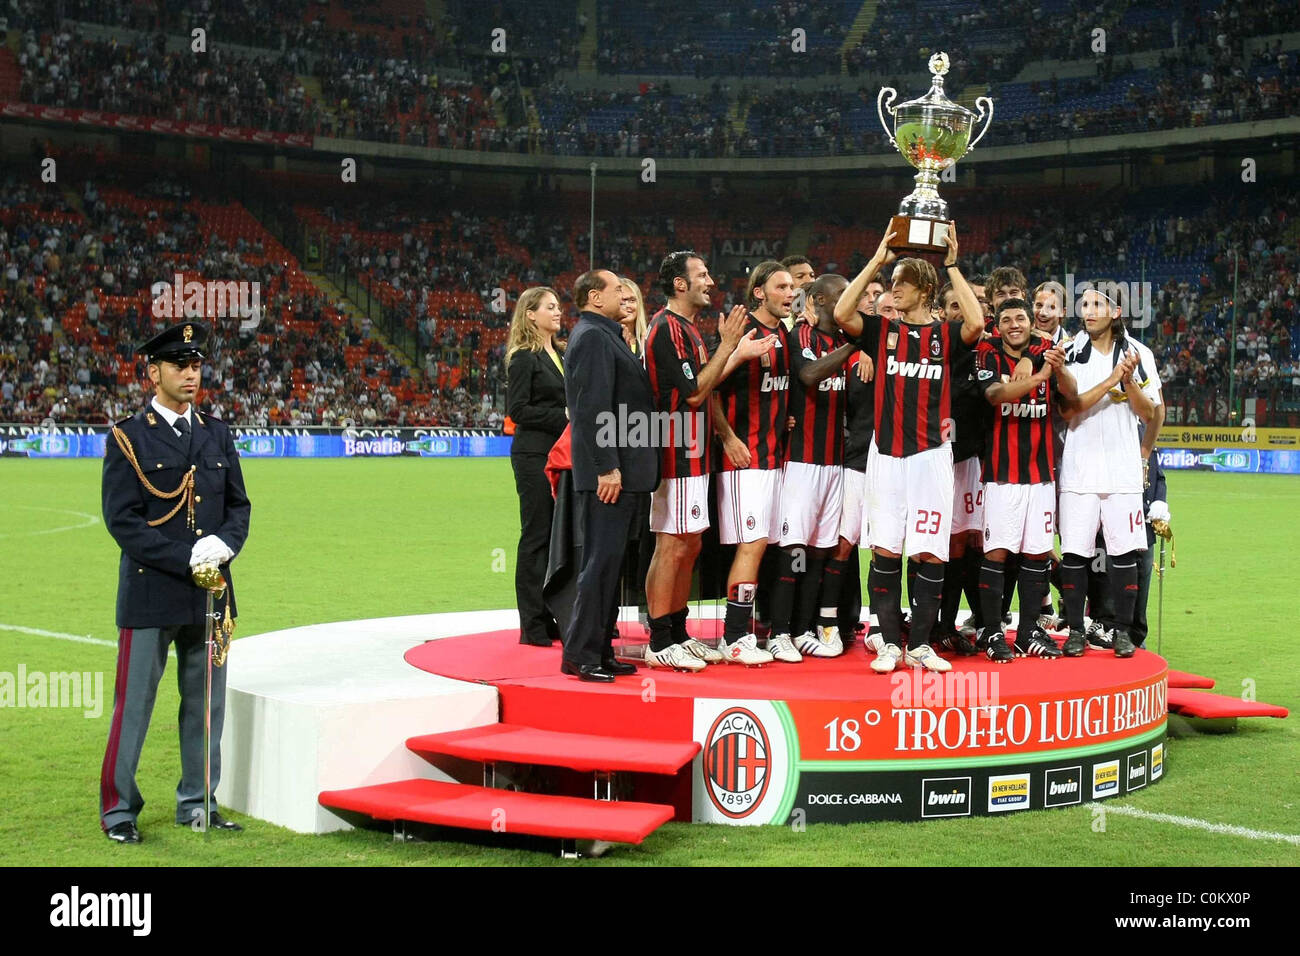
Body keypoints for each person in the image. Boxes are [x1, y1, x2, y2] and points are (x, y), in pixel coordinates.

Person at [100, 320, 252, 843]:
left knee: (206, 705)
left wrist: (227, 544)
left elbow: (239, 506)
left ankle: (199, 803)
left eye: (197, 365)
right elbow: (123, 521)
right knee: (134, 705)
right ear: (153, 372)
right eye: (180, 365)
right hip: (151, 592)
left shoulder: (217, 432)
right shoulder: (127, 436)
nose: (192, 374)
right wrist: (188, 556)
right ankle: (119, 810)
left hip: (210, 596)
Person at [832, 225, 985, 674]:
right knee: (885, 548)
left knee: (930, 551)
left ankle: (919, 644)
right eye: (892, 281)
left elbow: (976, 323)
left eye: (901, 282)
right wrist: (879, 258)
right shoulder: (881, 331)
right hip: (886, 456)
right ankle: (886, 645)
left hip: (932, 456)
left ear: (924, 290)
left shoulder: (945, 335)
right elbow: (843, 311)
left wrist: (953, 265)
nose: (892, 289)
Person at [643, 250, 773, 672]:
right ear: (679, 284)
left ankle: (678, 632)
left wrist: (732, 353)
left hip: (695, 450)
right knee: (672, 544)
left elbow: (707, 382)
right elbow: (695, 392)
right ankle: (660, 640)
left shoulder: (688, 330)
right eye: (701, 275)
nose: (711, 281)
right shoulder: (667, 328)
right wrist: (730, 346)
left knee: (690, 542)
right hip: (674, 449)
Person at [562, 270, 658, 681]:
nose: (626, 295)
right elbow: (591, 409)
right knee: (600, 565)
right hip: (609, 474)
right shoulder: (593, 338)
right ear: (596, 297)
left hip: (621, 470)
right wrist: (607, 467)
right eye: (618, 289)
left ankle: (598, 649)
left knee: (610, 564)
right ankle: (581, 654)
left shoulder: (604, 335)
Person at [1057, 284, 1162, 658]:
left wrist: (1128, 380)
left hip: (1121, 472)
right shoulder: (1068, 353)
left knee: (1123, 554)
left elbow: (1149, 412)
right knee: (1074, 555)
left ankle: (1121, 631)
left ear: (1116, 311)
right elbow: (1067, 411)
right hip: (1079, 470)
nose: (1088, 310)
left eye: (1097, 304)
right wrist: (1109, 381)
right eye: (1084, 304)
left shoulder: (1139, 354)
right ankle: (1074, 631)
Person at [975, 298, 1076, 661]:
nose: (1013, 325)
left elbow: (1072, 395)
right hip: (1002, 477)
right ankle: (991, 631)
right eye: (1006, 320)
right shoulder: (986, 355)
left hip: (1041, 475)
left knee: (1036, 555)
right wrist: (1039, 376)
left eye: (1020, 318)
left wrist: (1057, 371)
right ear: (997, 326)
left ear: (1031, 323)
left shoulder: (1047, 350)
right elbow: (995, 395)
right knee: (997, 553)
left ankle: (1030, 630)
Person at [771, 273, 856, 658]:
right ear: (820, 300)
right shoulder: (802, 337)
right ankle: (778, 632)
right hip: (802, 461)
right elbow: (808, 374)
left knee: (821, 550)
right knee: (794, 548)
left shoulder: (843, 341)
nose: (847, 302)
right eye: (841, 296)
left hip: (835, 463)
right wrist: (855, 346)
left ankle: (804, 629)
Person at [714, 260, 794, 664]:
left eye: (792, 286)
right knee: (752, 545)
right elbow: (708, 386)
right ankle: (734, 636)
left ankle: (767, 631)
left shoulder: (786, 334)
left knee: (771, 545)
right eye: (781, 286)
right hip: (747, 461)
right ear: (759, 292)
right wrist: (727, 437)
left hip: (777, 460)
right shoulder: (744, 332)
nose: (790, 292)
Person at [505, 287, 568, 647]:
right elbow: (519, 411)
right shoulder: (524, 358)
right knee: (535, 536)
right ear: (530, 314)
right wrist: (563, 416)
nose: (558, 312)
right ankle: (531, 624)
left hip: (556, 456)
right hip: (533, 456)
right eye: (550, 307)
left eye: (558, 306)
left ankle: (546, 617)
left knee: (552, 538)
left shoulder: (559, 353)